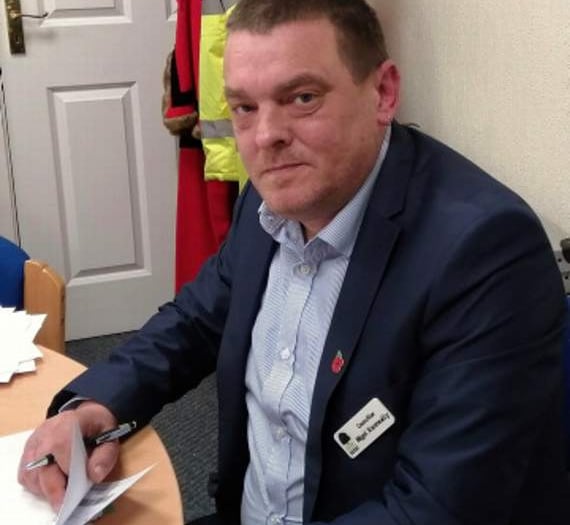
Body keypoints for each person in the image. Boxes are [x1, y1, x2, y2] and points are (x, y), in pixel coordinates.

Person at [18, 1, 570, 524]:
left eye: (302, 98)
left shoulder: (485, 253)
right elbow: (194, 321)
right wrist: (96, 404)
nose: (266, 137)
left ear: (383, 92)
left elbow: (435, 510)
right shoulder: (271, 199)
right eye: (244, 108)